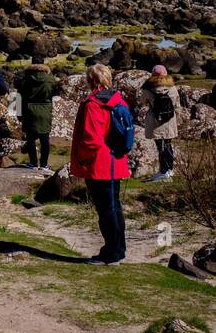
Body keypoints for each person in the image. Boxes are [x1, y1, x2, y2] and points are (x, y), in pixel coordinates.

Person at [71, 64, 131, 265]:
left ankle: (112, 253)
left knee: (106, 209)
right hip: (117, 159)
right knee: (114, 206)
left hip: (99, 163)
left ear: (91, 81)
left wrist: (81, 158)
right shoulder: (118, 99)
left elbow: (91, 140)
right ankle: (118, 249)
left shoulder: (93, 104)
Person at [16, 57, 59, 172]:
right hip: (45, 109)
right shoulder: (50, 79)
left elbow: (19, 96)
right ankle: (44, 164)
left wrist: (19, 113)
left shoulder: (26, 78)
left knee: (30, 138)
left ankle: (33, 163)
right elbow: (54, 92)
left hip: (28, 109)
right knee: (45, 138)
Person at [140, 64, 179, 182]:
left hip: (155, 121)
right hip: (169, 120)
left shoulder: (148, 89)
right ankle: (169, 170)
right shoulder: (172, 87)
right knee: (168, 144)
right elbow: (177, 105)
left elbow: (143, 103)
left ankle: (163, 171)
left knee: (160, 146)